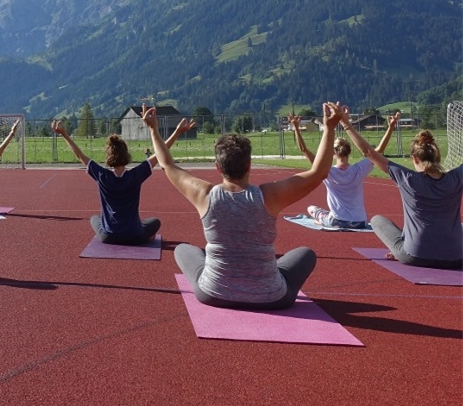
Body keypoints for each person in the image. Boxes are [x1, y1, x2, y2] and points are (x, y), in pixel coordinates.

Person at [148, 102, 342, 310]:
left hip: (214, 293)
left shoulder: (204, 195)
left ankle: (226, 270)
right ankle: (259, 274)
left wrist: (153, 129)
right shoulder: (269, 196)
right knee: (306, 254)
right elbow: (319, 172)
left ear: (217, 166)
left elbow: (167, 164)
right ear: (249, 164)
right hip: (271, 298)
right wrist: (329, 128)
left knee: (183, 250)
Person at [339, 108, 463, 269]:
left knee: (377, 220)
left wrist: (345, 124)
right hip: (456, 258)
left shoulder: (408, 178)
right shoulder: (456, 178)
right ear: (437, 156)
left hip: (414, 255)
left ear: (414, 158)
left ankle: (401, 247)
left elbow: (368, 152)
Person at [53, 113, 196, 245]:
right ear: (126, 155)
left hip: (108, 237)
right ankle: (146, 236)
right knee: (155, 222)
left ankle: (127, 232)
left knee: (94, 219)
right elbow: (160, 153)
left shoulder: (102, 175)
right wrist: (177, 132)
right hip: (135, 236)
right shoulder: (135, 175)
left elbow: (79, 155)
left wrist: (64, 134)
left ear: (108, 156)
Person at [288, 111, 399, 229]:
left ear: (334, 153)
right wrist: (391, 126)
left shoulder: (326, 171)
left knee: (311, 208)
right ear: (349, 151)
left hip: (337, 221)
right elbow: (379, 150)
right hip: (360, 222)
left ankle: (321, 221)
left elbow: (304, 150)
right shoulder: (359, 169)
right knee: (320, 212)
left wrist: (295, 126)